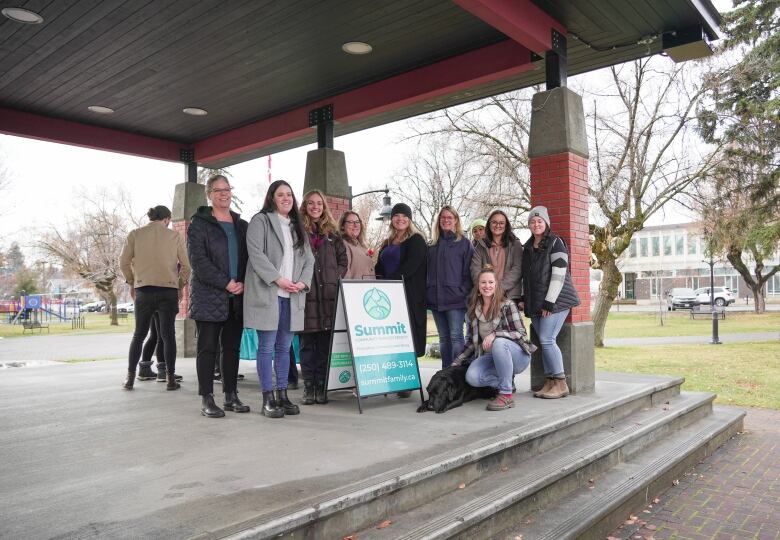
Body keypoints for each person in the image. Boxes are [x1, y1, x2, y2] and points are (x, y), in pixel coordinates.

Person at [244, 180, 314, 418]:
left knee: (284, 348)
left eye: (290, 195)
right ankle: (267, 398)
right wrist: (277, 279)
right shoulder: (260, 221)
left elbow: (309, 260)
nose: (286, 198)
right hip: (270, 294)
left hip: (292, 297)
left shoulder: (297, 227)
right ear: (272, 197)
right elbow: (256, 254)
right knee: (266, 348)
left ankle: (282, 395)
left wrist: (303, 282)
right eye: (281, 194)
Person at [187, 174, 250, 418]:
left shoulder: (241, 225)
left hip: (238, 296)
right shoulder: (199, 224)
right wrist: (226, 283)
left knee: (231, 348)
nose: (224, 194)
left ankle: (231, 395)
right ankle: (207, 398)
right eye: (218, 190)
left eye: (227, 189)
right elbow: (198, 262)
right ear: (209, 194)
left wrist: (242, 282)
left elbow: (249, 259)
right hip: (209, 296)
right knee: (208, 349)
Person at [120, 205, 190, 391]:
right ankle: (169, 379)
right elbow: (186, 266)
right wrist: (180, 285)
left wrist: (132, 281)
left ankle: (130, 378)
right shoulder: (174, 236)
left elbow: (123, 262)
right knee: (168, 336)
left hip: (144, 289)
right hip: (168, 290)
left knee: (139, 335)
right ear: (167, 219)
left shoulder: (135, 234)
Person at [520, 206, 581, 399]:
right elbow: (525, 277)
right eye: (532, 221)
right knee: (543, 341)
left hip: (555, 301)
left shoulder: (556, 242)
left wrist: (549, 302)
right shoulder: (528, 247)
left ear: (546, 223)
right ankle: (549, 382)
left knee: (547, 339)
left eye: (539, 221)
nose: (536, 224)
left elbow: (559, 274)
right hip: (536, 301)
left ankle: (561, 383)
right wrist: (523, 298)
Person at [453, 266, 533, 411]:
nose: (487, 286)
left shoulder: (508, 305)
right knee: (472, 377)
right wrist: (456, 362)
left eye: (491, 282)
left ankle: (506, 395)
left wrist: (496, 334)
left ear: (496, 285)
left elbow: (521, 333)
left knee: (499, 343)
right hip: (491, 358)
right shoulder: (473, 309)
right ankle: (506, 383)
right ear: (478, 286)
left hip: (517, 356)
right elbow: (472, 342)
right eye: (483, 283)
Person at [299, 190, 348, 405]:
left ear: (324, 207)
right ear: (305, 206)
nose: (315, 207)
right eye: (311, 203)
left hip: (328, 297)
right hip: (307, 296)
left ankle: (322, 386)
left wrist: (332, 278)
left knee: (324, 345)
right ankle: (309, 387)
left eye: (319, 203)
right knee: (307, 345)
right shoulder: (298, 232)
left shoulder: (333, 235)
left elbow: (343, 262)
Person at [375, 203, 427, 398]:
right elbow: (380, 266)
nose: (400, 219)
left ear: (410, 219)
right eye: (396, 215)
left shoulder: (416, 240)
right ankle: (395, 379)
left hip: (408, 296)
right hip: (388, 297)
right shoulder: (387, 242)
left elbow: (410, 267)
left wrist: (390, 284)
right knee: (393, 340)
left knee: (407, 338)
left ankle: (407, 381)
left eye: (404, 216)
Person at [426, 206, 473, 369]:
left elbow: (470, 273)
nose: (446, 220)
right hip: (435, 299)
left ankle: (457, 373)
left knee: (456, 337)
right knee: (443, 338)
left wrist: (462, 292)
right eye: (443, 218)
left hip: (456, 300)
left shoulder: (464, 244)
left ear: (456, 220)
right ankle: (445, 374)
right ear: (439, 221)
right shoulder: (431, 245)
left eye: (449, 217)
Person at [471, 209, 522, 304]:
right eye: (494, 222)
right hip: (486, 295)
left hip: (509, 296)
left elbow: (517, 269)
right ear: (489, 224)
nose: (498, 225)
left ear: (506, 225)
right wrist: (486, 287)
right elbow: (475, 269)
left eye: (501, 223)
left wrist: (499, 288)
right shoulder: (481, 245)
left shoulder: (515, 244)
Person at [339, 211, 375, 279]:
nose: (355, 225)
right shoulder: (343, 245)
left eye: (357, 222)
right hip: (356, 289)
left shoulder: (361, 246)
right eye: (351, 222)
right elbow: (345, 274)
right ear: (342, 226)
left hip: (369, 288)